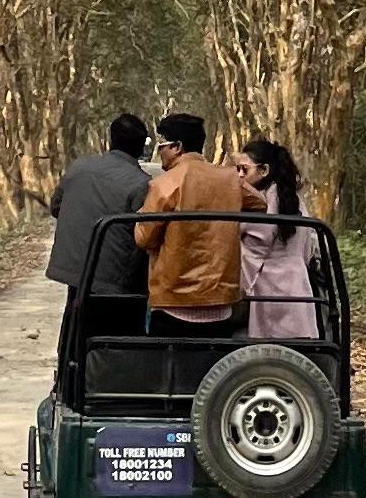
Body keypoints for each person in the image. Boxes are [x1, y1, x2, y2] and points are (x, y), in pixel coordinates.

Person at [134, 112, 260, 332]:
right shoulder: (229, 179)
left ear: (177, 147)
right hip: (221, 301)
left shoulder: (164, 185)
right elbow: (259, 204)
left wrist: (140, 215)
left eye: (162, 144)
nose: (159, 151)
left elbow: (144, 239)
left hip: (173, 302)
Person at [46, 113, 152, 319]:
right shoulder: (141, 184)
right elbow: (146, 236)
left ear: (111, 140)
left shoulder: (79, 168)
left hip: (74, 271)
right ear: (141, 147)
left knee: (76, 319)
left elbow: (56, 208)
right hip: (114, 280)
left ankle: (71, 350)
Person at [239, 134, 321, 342]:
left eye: (244, 170)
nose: (239, 176)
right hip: (297, 284)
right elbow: (309, 246)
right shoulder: (293, 199)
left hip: (269, 288)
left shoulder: (261, 202)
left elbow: (253, 247)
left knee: (269, 355)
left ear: (264, 170)